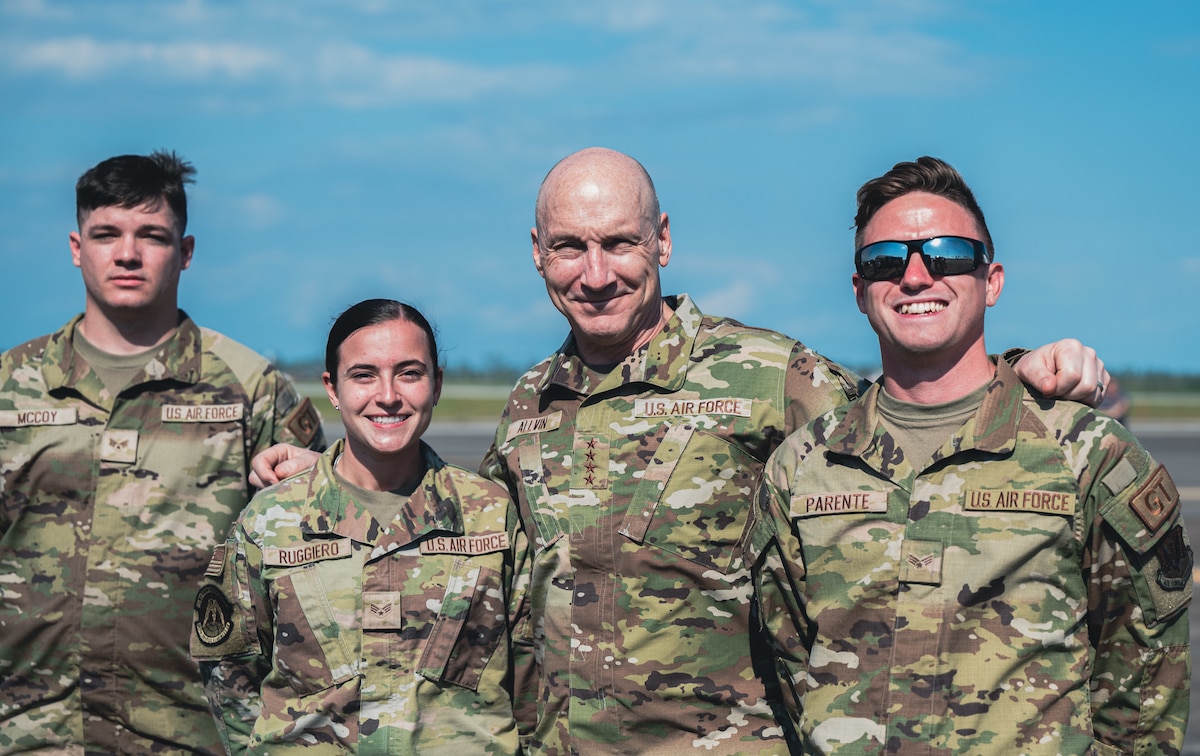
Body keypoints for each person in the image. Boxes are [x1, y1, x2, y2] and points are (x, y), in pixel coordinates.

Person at [252, 148, 1112, 755]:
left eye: (620, 243)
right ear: (537, 254)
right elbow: (466, 538)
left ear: (662, 239)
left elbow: (911, 419)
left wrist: (1021, 368)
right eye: (570, 247)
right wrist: (326, 476)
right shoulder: (527, 404)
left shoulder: (770, 374)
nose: (596, 273)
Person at [748, 156, 1190, 754]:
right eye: (884, 261)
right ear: (859, 291)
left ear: (993, 279)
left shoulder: (1085, 452)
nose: (915, 276)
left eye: (947, 254)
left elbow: (1143, 681)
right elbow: (789, 665)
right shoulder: (801, 467)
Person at [0, 151, 325, 754]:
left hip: (195, 731)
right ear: (77, 247)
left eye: (152, 235)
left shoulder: (251, 390)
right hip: (29, 729)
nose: (128, 254)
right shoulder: (9, 386)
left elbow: (316, 575)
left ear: (186, 251)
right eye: (106, 235)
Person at [191, 299, 530, 754]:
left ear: (437, 384)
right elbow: (228, 671)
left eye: (410, 373)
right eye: (364, 375)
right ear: (332, 388)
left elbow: (533, 670)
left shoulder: (490, 514)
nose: (387, 394)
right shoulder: (270, 520)